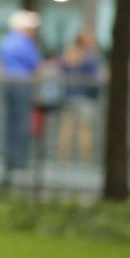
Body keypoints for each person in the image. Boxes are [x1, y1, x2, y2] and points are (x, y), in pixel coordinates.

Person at [0, 10, 41, 179]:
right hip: (22, 85)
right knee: (22, 122)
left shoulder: (5, 42)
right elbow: (35, 64)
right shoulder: (25, 43)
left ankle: (9, 157)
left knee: (10, 123)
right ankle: (20, 160)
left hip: (8, 84)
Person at [56, 29, 100, 164]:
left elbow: (60, 71)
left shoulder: (68, 55)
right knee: (85, 130)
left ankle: (62, 160)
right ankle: (85, 161)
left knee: (66, 129)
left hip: (69, 96)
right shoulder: (90, 59)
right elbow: (95, 80)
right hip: (86, 98)